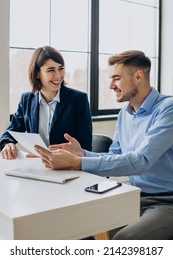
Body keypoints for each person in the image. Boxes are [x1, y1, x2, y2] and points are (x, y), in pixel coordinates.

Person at [35, 50, 173, 240]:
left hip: (167, 202)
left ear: (138, 76)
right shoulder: (125, 114)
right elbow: (114, 155)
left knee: (123, 240)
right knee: (74, 225)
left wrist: (78, 163)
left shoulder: (168, 109)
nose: (111, 85)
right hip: (133, 196)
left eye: (116, 78)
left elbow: (140, 161)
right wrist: (82, 154)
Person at [0, 46, 92, 159]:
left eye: (61, 68)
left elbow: (85, 147)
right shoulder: (27, 100)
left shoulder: (79, 100)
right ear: (37, 73)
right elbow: (10, 133)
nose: (58, 75)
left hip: (68, 167)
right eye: (51, 70)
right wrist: (8, 144)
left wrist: (51, 155)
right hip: (38, 166)